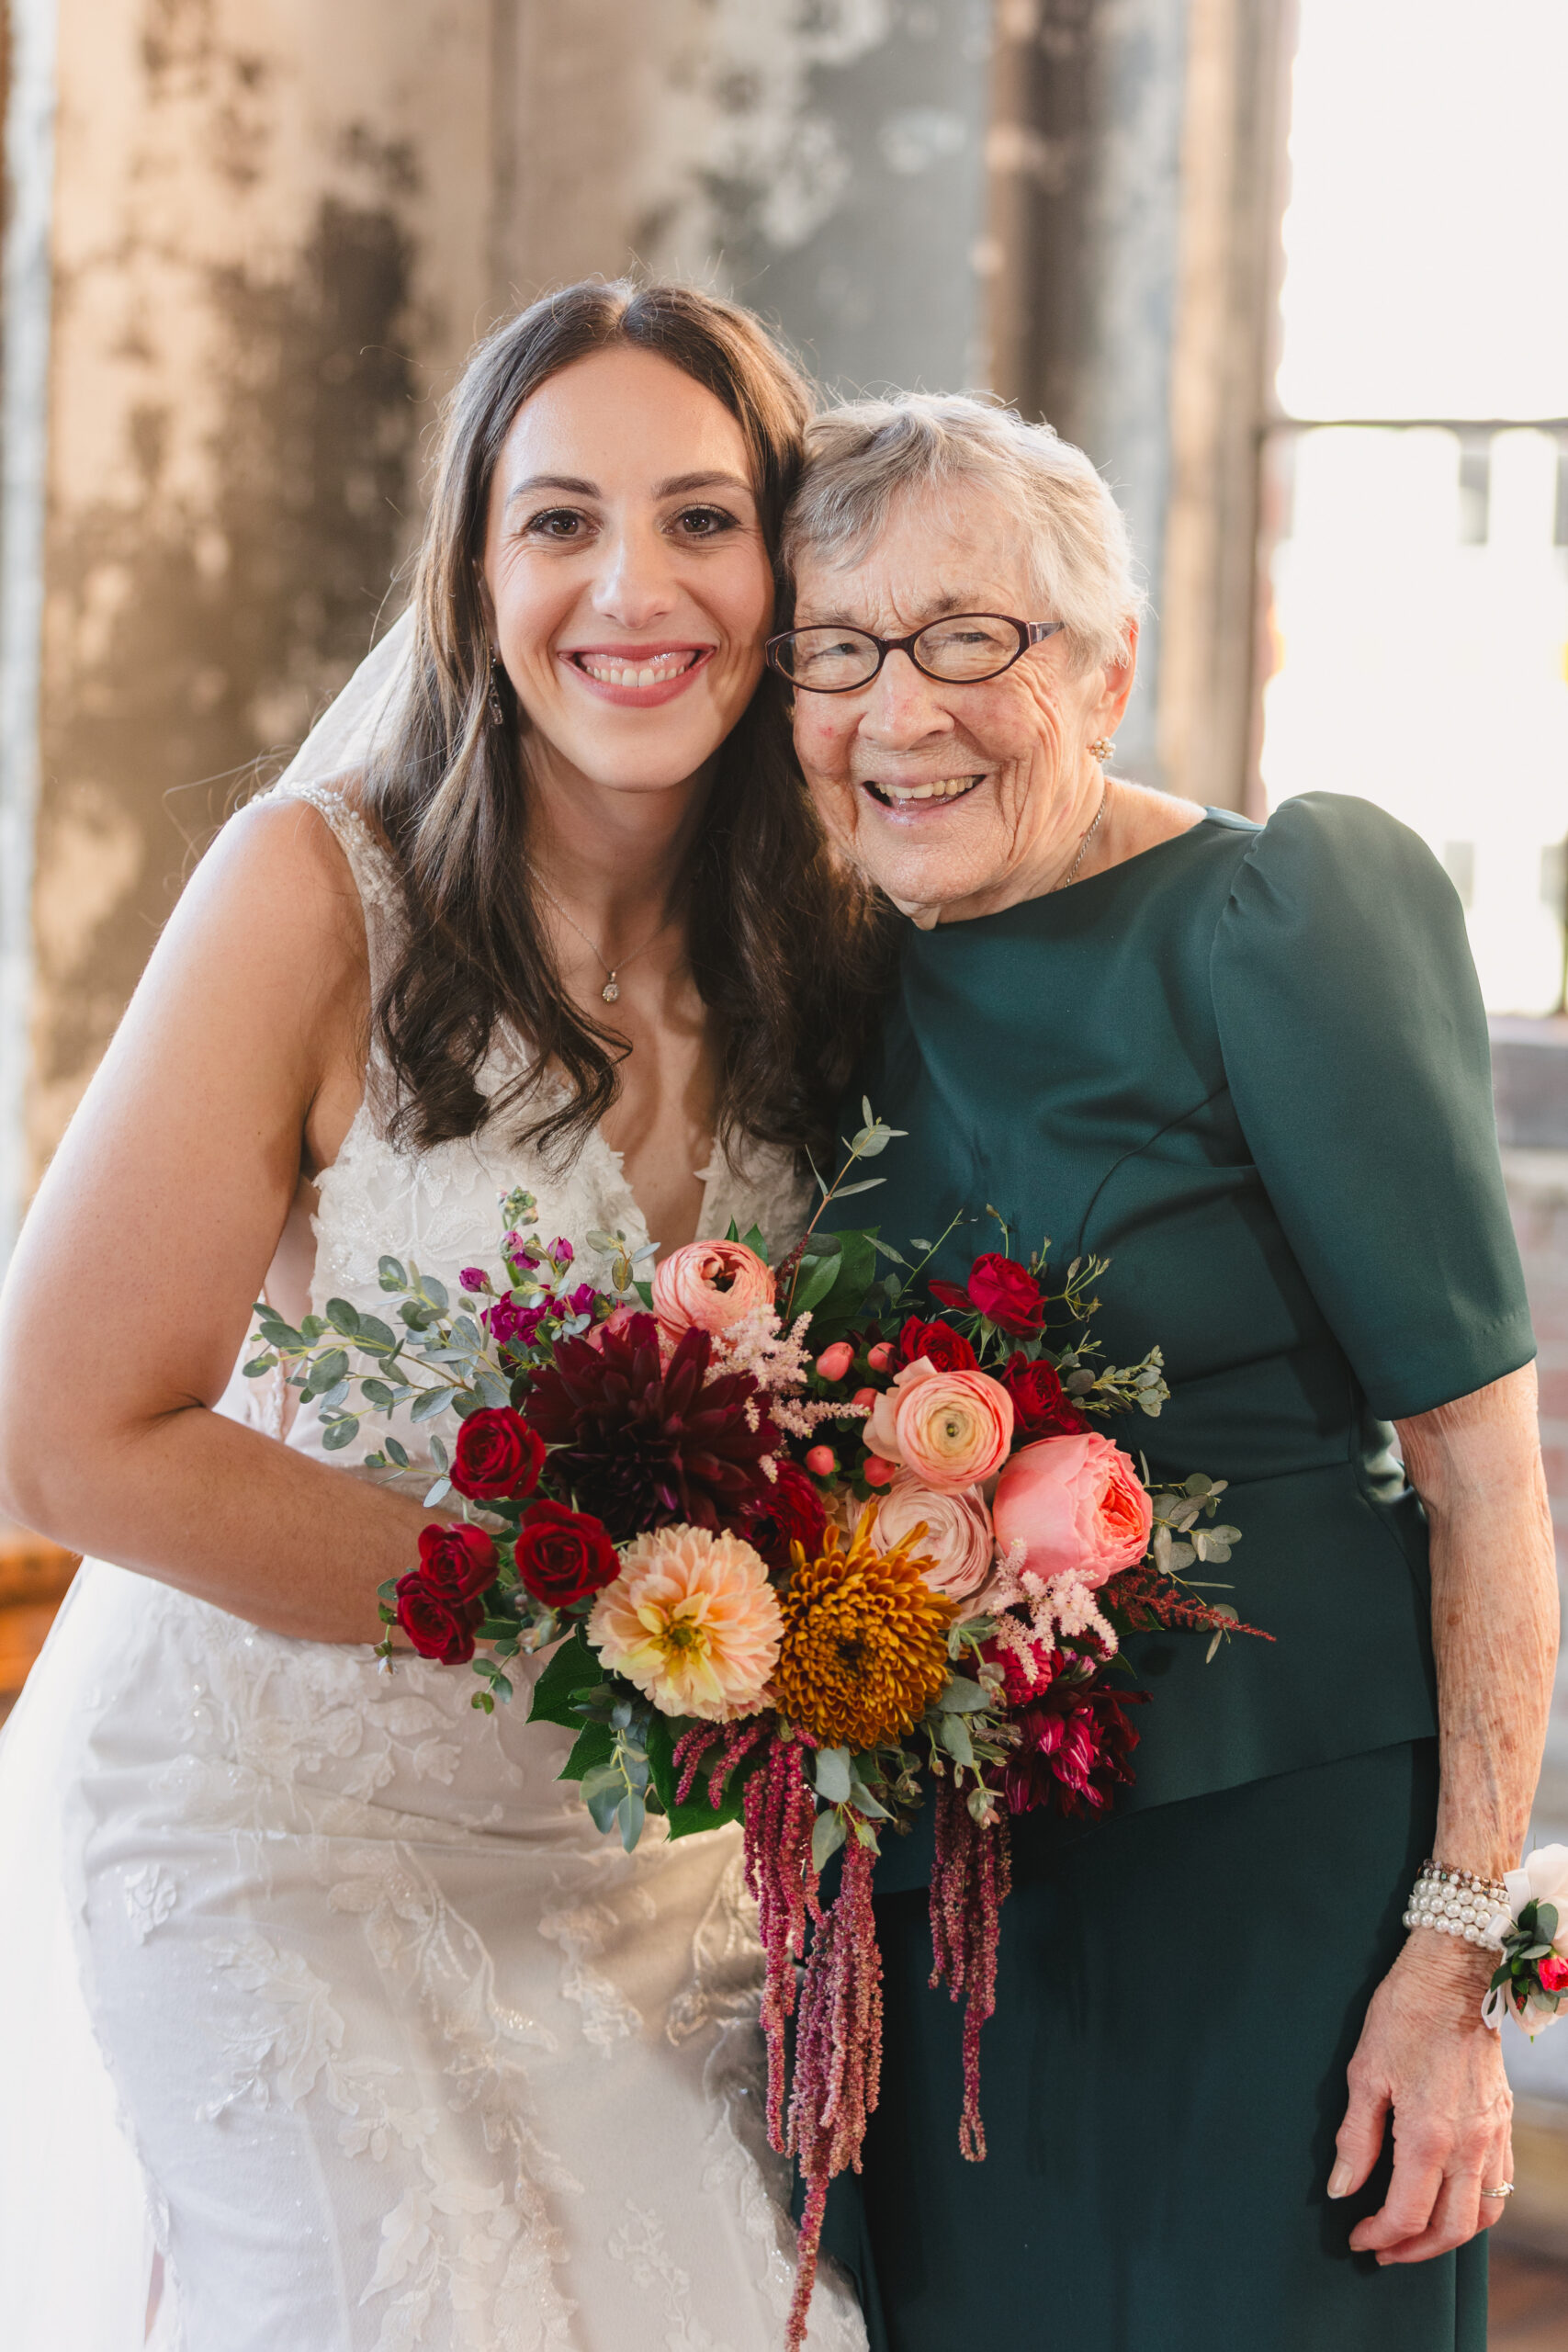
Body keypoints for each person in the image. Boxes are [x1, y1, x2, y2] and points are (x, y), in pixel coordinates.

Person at [0, 282, 877, 2352]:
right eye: (557, 521)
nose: (629, 586)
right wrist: (564, 1595)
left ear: (784, 564)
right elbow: (63, 1431)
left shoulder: (833, 939)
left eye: (698, 519)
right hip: (277, 1825)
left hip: (641, 1879)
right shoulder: (318, 890)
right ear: (476, 578)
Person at [768, 392, 1560, 2352]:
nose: (901, 709)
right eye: (840, 649)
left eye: (971, 637)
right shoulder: (820, 978)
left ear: (1102, 665)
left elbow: (1480, 1473)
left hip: (1271, 1904)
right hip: (933, 1920)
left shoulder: (1273, 919)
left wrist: (1450, 1954)